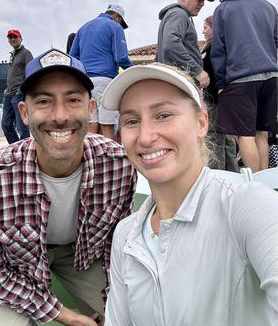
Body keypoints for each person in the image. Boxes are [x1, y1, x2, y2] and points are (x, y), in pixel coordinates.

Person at [0, 48, 137, 326]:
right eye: (43, 101)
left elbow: (117, 244)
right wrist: (63, 315)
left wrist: (113, 297)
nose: (60, 115)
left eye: (73, 99)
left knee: (129, 313)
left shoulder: (118, 165)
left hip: (83, 254)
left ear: (91, 109)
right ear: (25, 112)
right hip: (16, 268)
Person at [102, 63, 278, 326]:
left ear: (201, 122)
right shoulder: (125, 235)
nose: (146, 136)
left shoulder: (246, 204)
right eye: (132, 121)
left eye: (163, 115)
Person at [211, 0, 278, 172]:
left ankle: (255, 186)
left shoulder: (223, 9)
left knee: (245, 136)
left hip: (241, 78)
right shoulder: (268, 6)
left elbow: (218, 49)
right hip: (271, 76)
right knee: (262, 134)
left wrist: (222, 83)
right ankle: (267, 185)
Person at [70, 4, 133, 139]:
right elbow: (121, 57)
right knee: (108, 124)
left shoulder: (83, 28)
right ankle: (111, 158)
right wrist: (136, 72)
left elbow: (72, 58)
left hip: (86, 82)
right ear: (117, 16)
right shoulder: (115, 27)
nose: (121, 25)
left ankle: (91, 157)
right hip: (105, 81)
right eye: (121, 22)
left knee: (92, 124)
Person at [156, 0, 215, 88]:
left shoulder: (174, 14)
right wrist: (197, 70)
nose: (202, 4)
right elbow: (170, 44)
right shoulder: (180, 14)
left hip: (173, 82)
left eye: (204, 0)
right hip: (180, 82)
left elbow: (161, 53)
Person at [201, 15, 239, 172]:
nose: (203, 31)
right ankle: (233, 173)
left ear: (214, 28)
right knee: (226, 139)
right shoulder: (212, 46)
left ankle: (218, 175)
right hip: (220, 98)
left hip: (217, 99)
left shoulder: (215, 46)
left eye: (206, 27)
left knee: (215, 137)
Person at [1, 29, 33, 144]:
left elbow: (30, 73)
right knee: (6, 125)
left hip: (18, 96)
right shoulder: (13, 55)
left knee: (22, 128)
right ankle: (15, 149)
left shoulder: (26, 53)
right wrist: (7, 90)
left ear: (21, 38)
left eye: (15, 37)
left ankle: (25, 153)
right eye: (10, 37)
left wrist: (20, 91)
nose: (13, 39)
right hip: (8, 95)